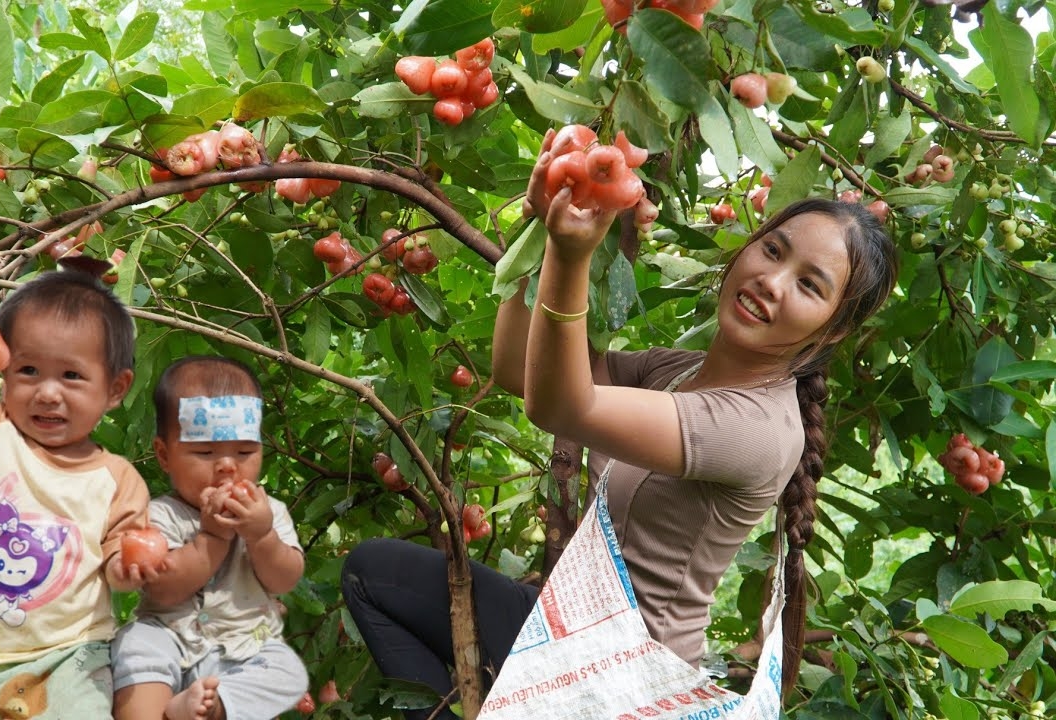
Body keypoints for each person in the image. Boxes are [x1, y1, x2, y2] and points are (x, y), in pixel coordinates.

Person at [341, 128, 898, 718]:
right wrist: (538, 229)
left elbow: (560, 406)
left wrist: (570, 254)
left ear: (832, 329)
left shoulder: (756, 427)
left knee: (378, 576)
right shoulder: (677, 371)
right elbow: (518, 370)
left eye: (809, 285)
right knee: (374, 575)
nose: (772, 282)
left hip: (625, 683)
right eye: (774, 251)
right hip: (575, 640)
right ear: (748, 246)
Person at [0, 243, 155, 717]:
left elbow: (121, 561)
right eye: (29, 370)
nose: (48, 393)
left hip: (66, 660)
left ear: (115, 389)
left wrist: (130, 569)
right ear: (3, 369)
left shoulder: (119, 479)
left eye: (72, 375)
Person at [111, 355, 308, 720]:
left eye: (245, 451)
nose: (228, 466)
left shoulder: (269, 513)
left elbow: (285, 579)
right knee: (135, 644)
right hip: (169, 636)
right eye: (205, 452)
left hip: (245, 646)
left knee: (287, 670)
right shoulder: (160, 516)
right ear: (164, 455)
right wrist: (212, 537)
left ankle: (215, 705)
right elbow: (163, 590)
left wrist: (262, 535)